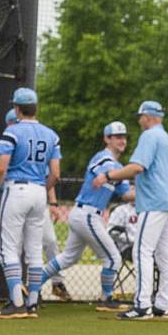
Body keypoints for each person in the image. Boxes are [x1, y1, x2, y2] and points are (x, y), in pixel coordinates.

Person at [97, 100, 168, 319]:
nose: (139, 120)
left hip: (154, 202)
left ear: (149, 116)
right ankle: (163, 304)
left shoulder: (150, 136)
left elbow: (137, 167)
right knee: (165, 255)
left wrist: (108, 176)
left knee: (142, 250)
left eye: (141, 116)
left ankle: (143, 305)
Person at [0, 89, 61, 319]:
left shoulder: (12, 131)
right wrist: (44, 189)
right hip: (40, 191)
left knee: (7, 249)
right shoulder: (51, 134)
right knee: (34, 251)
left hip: (16, 188)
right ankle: (32, 303)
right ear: (36, 108)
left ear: (17, 109)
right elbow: (56, 174)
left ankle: (16, 303)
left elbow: (0, 168)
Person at [44, 121, 133, 311]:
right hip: (87, 214)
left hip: (86, 215)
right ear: (106, 139)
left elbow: (126, 194)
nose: (121, 140)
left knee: (69, 257)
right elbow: (104, 174)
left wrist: (152, 192)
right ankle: (106, 299)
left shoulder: (118, 167)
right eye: (116, 137)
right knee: (113, 259)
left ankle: (31, 286)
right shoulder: (103, 158)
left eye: (123, 137)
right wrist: (121, 173)